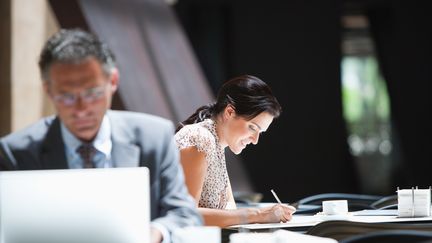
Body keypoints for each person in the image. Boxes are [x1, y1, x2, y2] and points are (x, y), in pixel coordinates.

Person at [0, 28, 202, 243]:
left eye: (93, 93)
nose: (81, 109)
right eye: (67, 96)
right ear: (48, 90)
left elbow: (185, 215)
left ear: (113, 81)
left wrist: (155, 233)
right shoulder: (17, 152)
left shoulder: (154, 138)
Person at [174, 75, 296, 227]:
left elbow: (229, 211)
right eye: (253, 127)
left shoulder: (216, 143)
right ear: (229, 112)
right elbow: (185, 215)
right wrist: (259, 214)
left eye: (261, 132)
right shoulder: (200, 137)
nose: (255, 140)